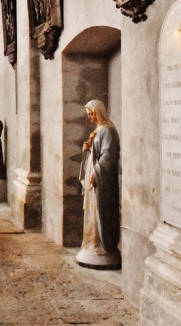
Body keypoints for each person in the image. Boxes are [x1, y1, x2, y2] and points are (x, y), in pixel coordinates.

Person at [76, 100, 121, 269]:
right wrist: (87, 149)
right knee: (92, 212)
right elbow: (96, 153)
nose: (89, 117)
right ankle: (92, 243)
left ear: (98, 112)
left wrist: (95, 173)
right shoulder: (99, 130)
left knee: (102, 210)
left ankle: (103, 246)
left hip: (103, 181)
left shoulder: (108, 131)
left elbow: (108, 155)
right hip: (94, 178)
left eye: (91, 113)